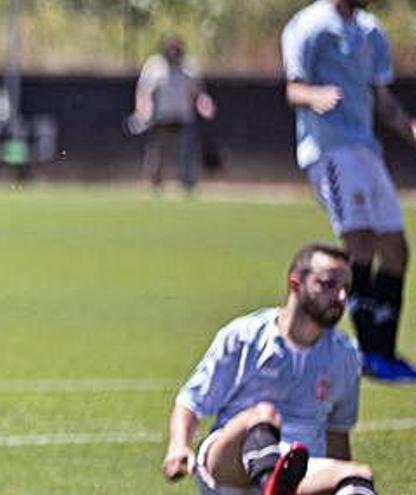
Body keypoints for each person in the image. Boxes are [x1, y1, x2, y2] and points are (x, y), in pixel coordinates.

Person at [163, 243, 379, 495]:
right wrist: (178, 447)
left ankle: (277, 488)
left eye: (346, 289)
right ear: (295, 283)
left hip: (302, 469)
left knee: (358, 477)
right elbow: (190, 402)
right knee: (263, 414)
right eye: (328, 285)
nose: (341, 298)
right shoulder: (245, 336)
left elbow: (337, 433)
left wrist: (339, 478)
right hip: (230, 466)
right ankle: (272, 485)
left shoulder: (346, 355)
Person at [282, 0, 416, 382]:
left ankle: (386, 352)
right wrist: (316, 96)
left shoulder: (371, 31)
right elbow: (294, 89)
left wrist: (409, 128)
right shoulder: (309, 25)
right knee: (359, 241)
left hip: (366, 148)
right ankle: (369, 352)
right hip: (329, 149)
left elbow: (383, 100)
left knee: (395, 249)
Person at [132, 36, 215, 192]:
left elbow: (199, 92)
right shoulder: (154, 66)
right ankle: (155, 182)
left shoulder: (189, 67)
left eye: (176, 50)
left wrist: (205, 104)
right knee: (157, 153)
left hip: (183, 117)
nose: (173, 53)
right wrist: (142, 111)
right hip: (161, 118)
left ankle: (188, 184)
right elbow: (143, 92)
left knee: (187, 151)